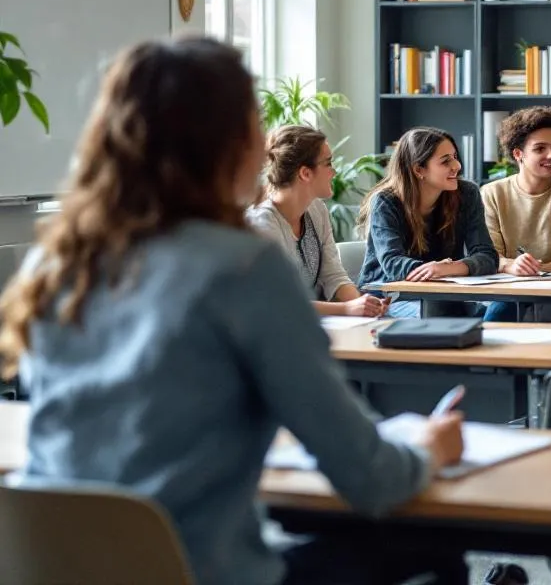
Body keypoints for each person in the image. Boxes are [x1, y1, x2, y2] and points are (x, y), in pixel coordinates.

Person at [0, 37, 466, 585]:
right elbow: (369, 477)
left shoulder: (57, 264)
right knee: (436, 543)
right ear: (235, 141)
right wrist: (427, 450)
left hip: (55, 565)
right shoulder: (243, 266)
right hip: (202, 571)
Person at [247, 125, 388, 318]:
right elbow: (279, 301)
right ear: (305, 173)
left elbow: (333, 276)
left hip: (312, 325)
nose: (334, 171)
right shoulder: (262, 224)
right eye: (328, 163)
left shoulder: (317, 210)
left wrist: (364, 306)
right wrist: (346, 309)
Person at [358, 127, 498, 319]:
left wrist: (447, 268)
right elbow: (393, 264)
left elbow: (488, 256)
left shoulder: (467, 194)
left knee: (499, 309)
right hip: (390, 298)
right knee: (442, 312)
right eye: (445, 161)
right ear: (419, 170)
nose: (457, 165)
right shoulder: (386, 201)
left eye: (455, 157)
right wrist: (436, 270)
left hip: (447, 294)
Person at [481, 106, 551, 321]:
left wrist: (535, 269)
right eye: (540, 149)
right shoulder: (492, 193)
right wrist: (512, 266)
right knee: (499, 314)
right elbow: (490, 255)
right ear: (518, 154)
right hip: (507, 289)